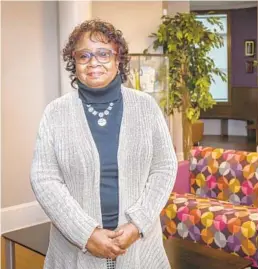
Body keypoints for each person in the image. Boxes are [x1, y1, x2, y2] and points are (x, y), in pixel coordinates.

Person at [30, 19, 177, 269]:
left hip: (138, 246)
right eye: (84, 55)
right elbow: (44, 178)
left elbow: (164, 167)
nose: (93, 62)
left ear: (118, 59)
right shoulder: (55, 113)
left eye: (103, 53)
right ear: (73, 62)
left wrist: (137, 224)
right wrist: (86, 233)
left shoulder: (146, 107)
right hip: (74, 249)